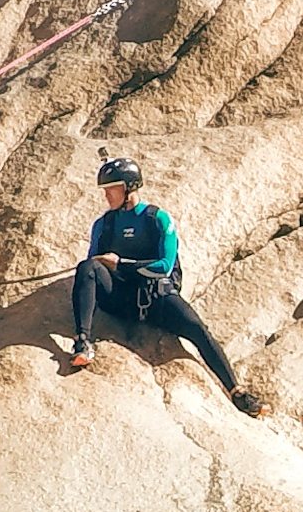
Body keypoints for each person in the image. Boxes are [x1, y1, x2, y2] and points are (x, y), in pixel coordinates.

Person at [66, 157, 261, 412]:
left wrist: (121, 263)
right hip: (120, 298)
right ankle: (82, 342)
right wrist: (105, 266)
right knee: (87, 268)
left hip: (156, 297)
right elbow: (93, 263)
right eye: (105, 190)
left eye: (111, 189)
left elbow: (164, 266)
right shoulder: (104, 224)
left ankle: (237, 392)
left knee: (196, 328)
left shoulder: (158, 219)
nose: (107, 195)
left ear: (129, 187)